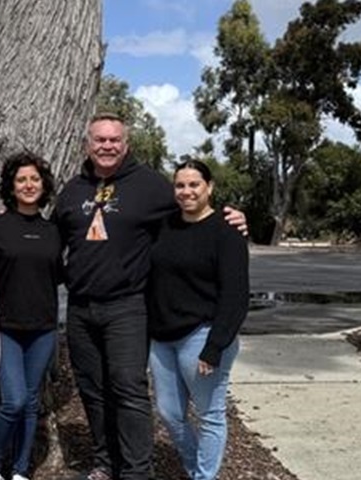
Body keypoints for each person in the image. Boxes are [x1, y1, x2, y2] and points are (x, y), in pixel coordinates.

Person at [53, 112, 245, 480]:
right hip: (79, 310)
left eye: (114, 140)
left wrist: (232, 216)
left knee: (128, 389)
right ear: (87, 144)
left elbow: (194, 208)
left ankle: (137, 471)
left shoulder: (150, 185)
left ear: (126, 144)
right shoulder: (73, 190)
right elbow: (52, 239)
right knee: (93, 391)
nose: (107, 146)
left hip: (127, 306)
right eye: (100, 140)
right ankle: (105, 462)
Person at [147, 160, 248, 480]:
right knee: (169, 413)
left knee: (210, 415)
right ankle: (194, 468)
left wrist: (215, 345)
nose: (187, 191)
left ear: (210, 187)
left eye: (194, 185)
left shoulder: (227, 231)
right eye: (180, 185)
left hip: (202, 336)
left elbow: (236, 295)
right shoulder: (164, 225)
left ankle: (204, 476)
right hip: (162, 338)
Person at [0, 153, 61, 480]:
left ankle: (21, 470)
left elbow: (58, 275)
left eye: (34, 180)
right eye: (21, 180)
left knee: (30, 403)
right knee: (12, 402)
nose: (29, 185)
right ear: (11, 188)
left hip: (43, 329)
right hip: (5, 329)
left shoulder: (53, 231)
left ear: (43, 186)